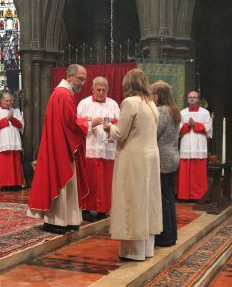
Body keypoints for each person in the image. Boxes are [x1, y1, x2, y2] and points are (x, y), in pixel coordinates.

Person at [104, 68, 162, 261]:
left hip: (134, 158)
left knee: (133, 200)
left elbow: (120, 134)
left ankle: (133, 252)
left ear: (128, 84)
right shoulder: (151, 104)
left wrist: (109, 127)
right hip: (151, 157)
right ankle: (146, 249)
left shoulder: (130, 102)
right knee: (147, 200)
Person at [27, 64, 89, 234]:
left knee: (65, 185)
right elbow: (71, 123)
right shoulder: (64, 94)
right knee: (62, 181)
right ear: (69, 77)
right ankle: (59, 221)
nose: (83, 83)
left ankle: (66, 220)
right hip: (61, 147)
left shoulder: (61, 93)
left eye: (84, 79)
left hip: (60, 143)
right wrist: (88, 124)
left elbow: (68, 121)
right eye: (80, 79)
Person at [77, 76, 120, 221]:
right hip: (90, 147)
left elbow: (120, 124)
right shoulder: (84, 103)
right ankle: (86, 209)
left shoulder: (113, 104)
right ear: (92, 89)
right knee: (91, 180)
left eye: (104, 90)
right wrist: (91, 123)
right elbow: (76, 123)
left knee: (106, 181)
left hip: (108, 148)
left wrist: (112, 125)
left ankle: (103, 209)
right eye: (98, 89)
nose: (101, 92)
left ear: (108, 90)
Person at [149, 80, 181, 247]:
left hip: (163, 158)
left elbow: (154, 133)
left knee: (162, 198)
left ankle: (165, 236)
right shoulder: (174, 110)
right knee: (168, 197)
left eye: (151, 94)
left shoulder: (162, 111)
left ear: (158, 95)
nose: (150, 97)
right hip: (172, 156)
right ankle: (171, 234)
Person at [176, 90, 213, 200]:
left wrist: (195, 124)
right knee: (185, 170)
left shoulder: (205, 113)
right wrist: (187, 125)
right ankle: (184, 195)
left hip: (199, 144)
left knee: (198, 172)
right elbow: (177, 129)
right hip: (186, 143)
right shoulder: (182, 113)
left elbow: (209, 128)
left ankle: (199, 195)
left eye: (194, 97)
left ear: (198, 99)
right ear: (187, 99)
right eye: (190, 97)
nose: (192, 99)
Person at [0, 91, 24, 191]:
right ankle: (4, 184)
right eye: (6, 101)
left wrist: (12, 118)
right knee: (3, 164)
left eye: (10, 101)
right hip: (2, 142)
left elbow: (21, 126)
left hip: (14, 141)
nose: (9, 103)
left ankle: (15, 184)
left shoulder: (16, 111)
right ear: (2, 100)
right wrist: (7, 118)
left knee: (14, 163)